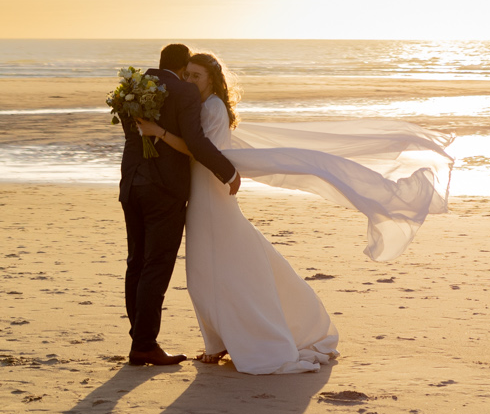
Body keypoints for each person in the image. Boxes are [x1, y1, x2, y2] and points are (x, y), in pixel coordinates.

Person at [137, 50, 454, 374]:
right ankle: (219, 342)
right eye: (187, 75)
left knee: (211, 269)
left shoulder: (213, 107)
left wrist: (157, 132)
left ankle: (239, 339)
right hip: (203, 188)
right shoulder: (202, 105)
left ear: (212, 80)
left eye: (196, 76)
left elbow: (199, 148)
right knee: (208, 270)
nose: (190, 81)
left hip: (209, 190)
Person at [117, 44, 240, 366]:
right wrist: (227, 171)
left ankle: (139, 340)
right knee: (156, 266)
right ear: (183, 65)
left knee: (136, 263)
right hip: (164, 190)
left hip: (131, 184)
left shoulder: (132, 86)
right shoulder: (183, 91)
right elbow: (197, 141)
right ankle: (144, 345)